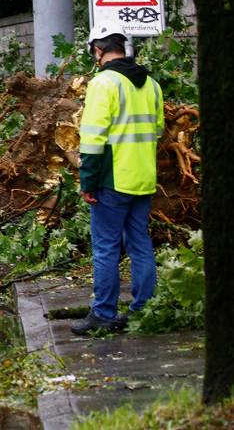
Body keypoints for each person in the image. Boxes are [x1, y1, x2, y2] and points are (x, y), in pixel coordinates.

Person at [71, 22, 164, 335]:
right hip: (143, 177)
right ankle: (144, 309)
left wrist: (88, 182)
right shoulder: (150, 83)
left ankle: (104, 314)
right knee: (140, 244)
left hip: (112, 179)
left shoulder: (103, 83)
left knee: (107, 248)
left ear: (98, 50)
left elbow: (93, 139)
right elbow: (159, 130)